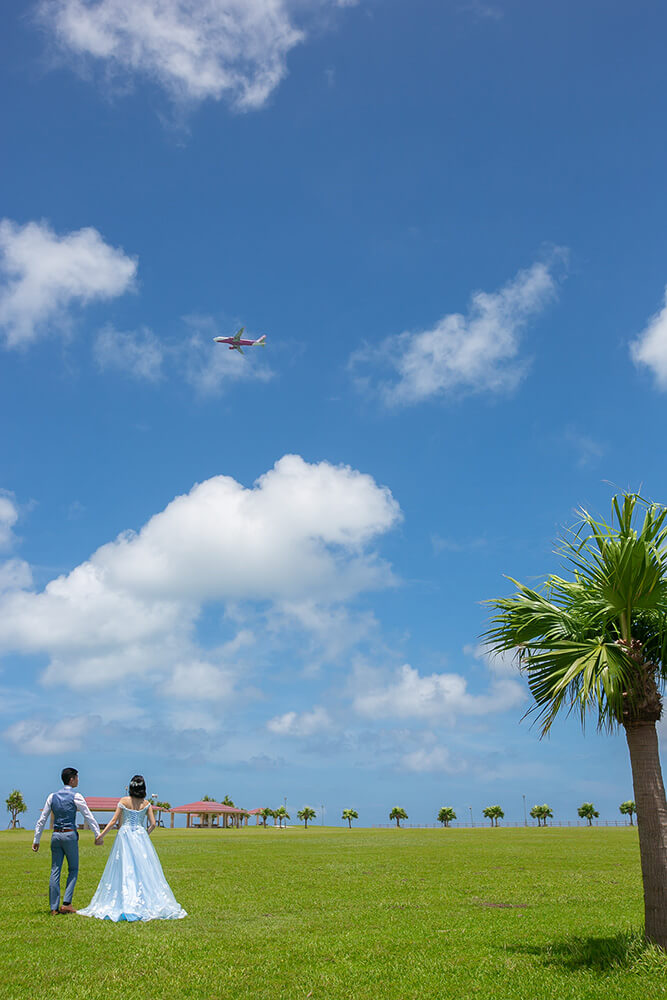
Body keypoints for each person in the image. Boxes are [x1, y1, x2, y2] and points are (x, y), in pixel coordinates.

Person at [78, 774, 186, 922]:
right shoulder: (146, 804)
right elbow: (153, 823)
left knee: (124, 866)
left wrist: (100, 836)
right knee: (143, 868)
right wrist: (144, 834)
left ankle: (126, 898)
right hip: (140, 836)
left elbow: (114, 821)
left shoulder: (123, 801)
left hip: (125, 835)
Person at [32, 767, 101, 915]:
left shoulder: (52, 796)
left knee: (55, 870)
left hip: (56, 835)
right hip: (69, 835)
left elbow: (42, 819)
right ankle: (66, 903)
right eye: (76, 777)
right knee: (73, 869)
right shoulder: (76, 796)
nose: (78, 780)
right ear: (71, 779)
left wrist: (36, 839)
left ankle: (53, 907)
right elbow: (88, 815)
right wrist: (97, 834)